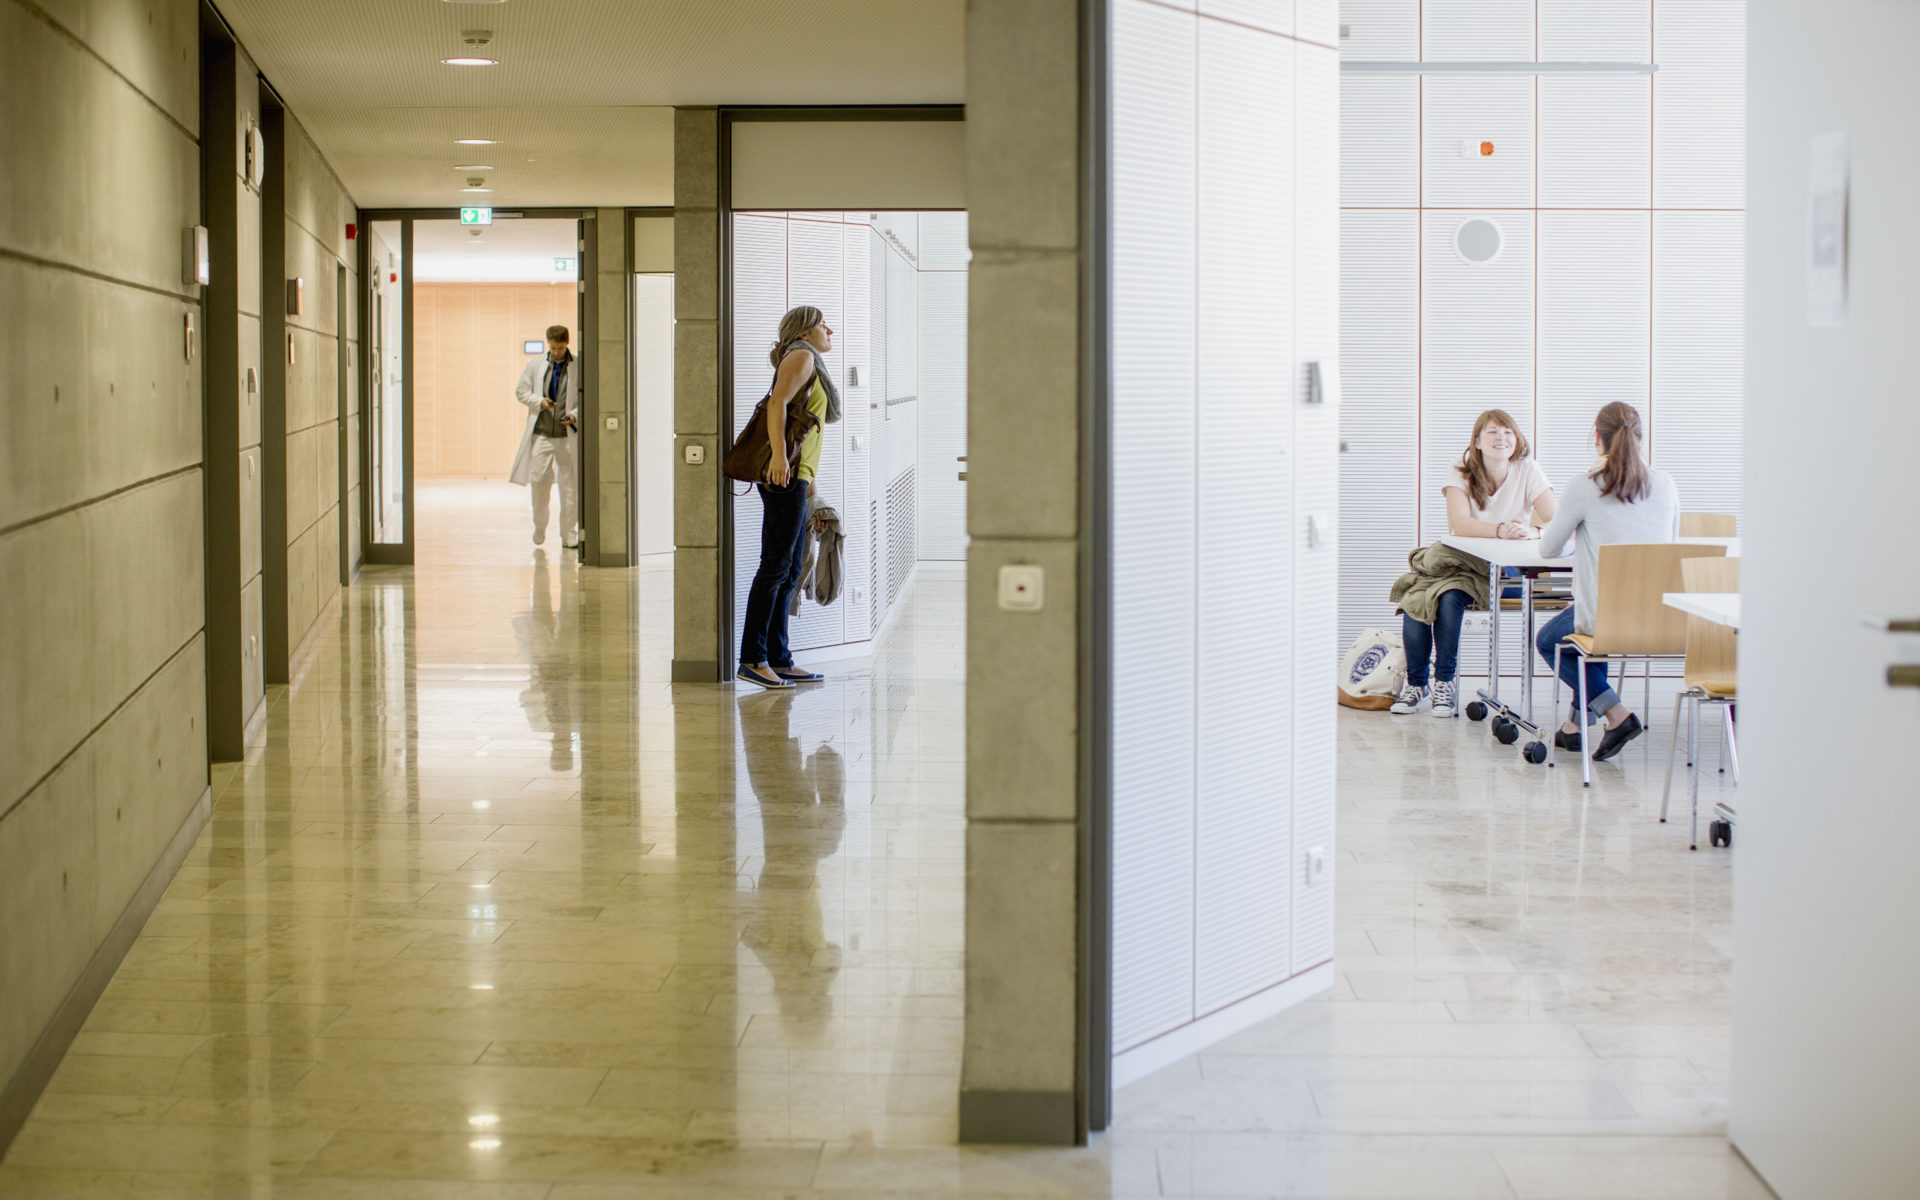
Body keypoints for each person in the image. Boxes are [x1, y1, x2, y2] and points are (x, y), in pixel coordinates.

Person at [1533, 400, 1680, 761]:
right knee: (1587, 639)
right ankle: (1574, 728)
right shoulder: (1666, 483)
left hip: (1606, 615)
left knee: (1552, 639)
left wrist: (1576, 536)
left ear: (1597, 439)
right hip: (1658, 614)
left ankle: (1617, 715)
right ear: (1640, 439)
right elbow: (1670, 545)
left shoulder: (1586, 485)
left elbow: (1548, 550)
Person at [1391, 410, 1557, 717]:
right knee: (1416, 593)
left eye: (1508, 432)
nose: (1501, 438)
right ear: (1478, 441)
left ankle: (1443, 682)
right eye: (1493, 432)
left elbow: (1558, 522)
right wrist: (1499, 530)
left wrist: (1533, 531)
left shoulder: (1528, 469)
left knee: (1448, 597)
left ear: (1516, 439)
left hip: (1502, 571)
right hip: (1460, 561)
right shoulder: (1461, 470)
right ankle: (1417, 684)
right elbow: (1459, 524)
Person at [736, 305, 840, 690]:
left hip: (798, 477)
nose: (830, 329)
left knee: (791, 569)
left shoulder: (808, 359)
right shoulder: (801, 355)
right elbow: (777, 404)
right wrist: (779, 457)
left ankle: (779, 659)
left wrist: (812, 490)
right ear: (805, 330)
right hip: (783, 475)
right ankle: (753, 659)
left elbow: (804, 432)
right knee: (775, 568)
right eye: (822, 324)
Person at [510, 325, 579, 549]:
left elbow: (583, 399)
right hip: (542, 433)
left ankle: (569, 535)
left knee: (569, 486)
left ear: (567, 344)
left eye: (559, 348)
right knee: (539, 481)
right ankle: (539, 527)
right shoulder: (535, 365)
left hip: (566, 436)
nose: (556, 352)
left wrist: (574, 415)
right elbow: (521, 392)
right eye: (552, 348)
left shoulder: (577, 366)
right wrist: (539, 402)